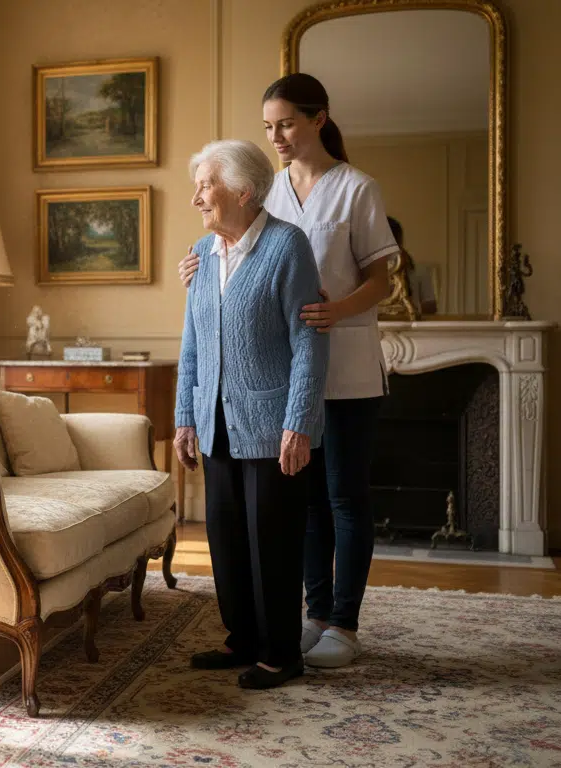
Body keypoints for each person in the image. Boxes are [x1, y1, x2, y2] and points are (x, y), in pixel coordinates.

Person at [178, 73, 398, 669]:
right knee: (299, 508)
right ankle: (307, 616)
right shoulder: (267, 193)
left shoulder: (356, 188)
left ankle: (341, 624)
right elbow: (232, 252)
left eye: (287, 123)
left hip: (343, 359)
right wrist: (201, 274)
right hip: (276, 368)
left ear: (318, 119)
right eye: (268, 125)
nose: (276, 134)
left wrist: (334, 311)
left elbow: (382, 278)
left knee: (343, 498)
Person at [175, 138, 328, 689]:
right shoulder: (203, 250)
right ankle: (242, 640)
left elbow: (309, 341)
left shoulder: (288, 247)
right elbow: (191, 340)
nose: (196, 197)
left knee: (273, 542)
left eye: (205, 185)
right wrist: (184, 417)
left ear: (243, 191)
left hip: (270, 425)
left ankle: (281, 653)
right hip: (213, 421)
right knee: (226, 537)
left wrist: (299, 422)